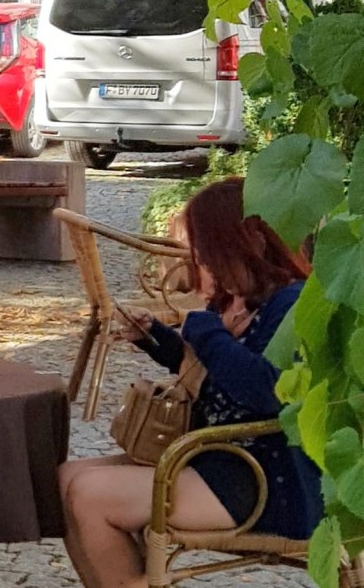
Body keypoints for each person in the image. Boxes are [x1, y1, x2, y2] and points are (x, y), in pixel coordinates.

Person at [59, 178, 318, 588]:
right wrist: (157, 339)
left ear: (249, 241)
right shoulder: (239, 298)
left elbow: (267, 391)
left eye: (208, 254)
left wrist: (206, 331)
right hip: (215, 457)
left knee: (90, 495)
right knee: (66, 478)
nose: (203, 266)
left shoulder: (294, 303)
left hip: (266, 478)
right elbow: (214, 374)